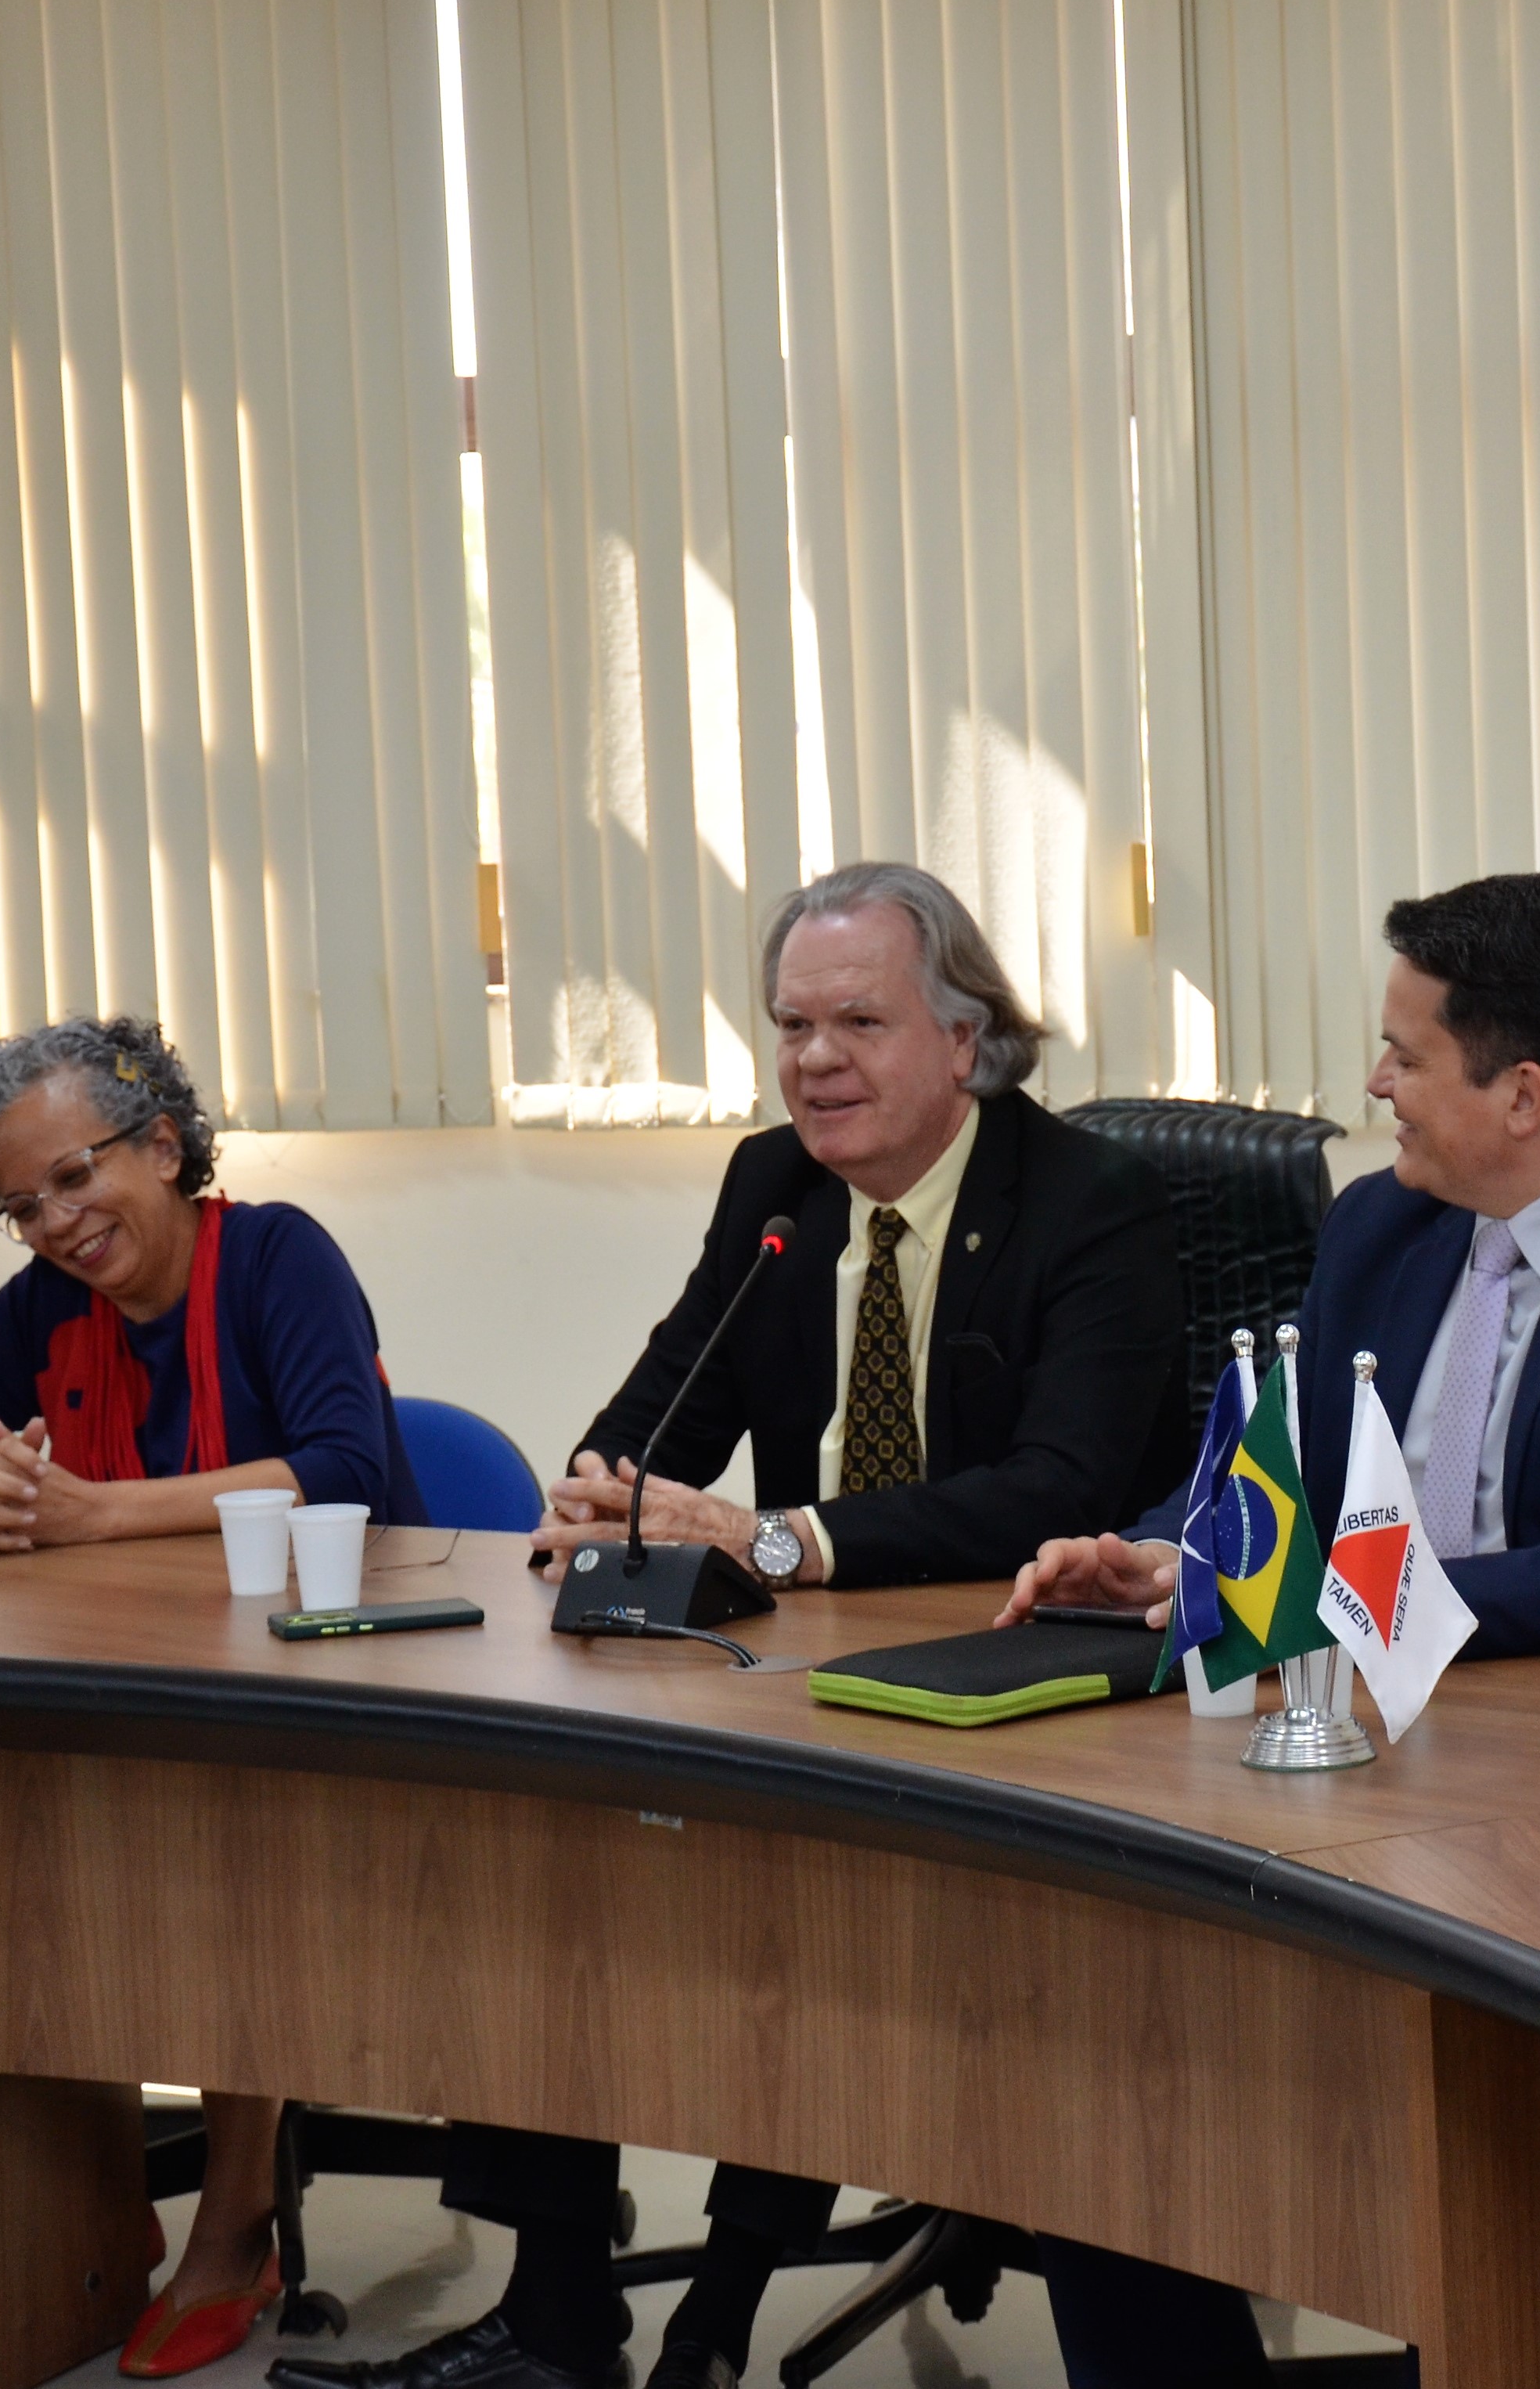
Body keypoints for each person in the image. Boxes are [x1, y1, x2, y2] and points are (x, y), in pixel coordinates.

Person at [272, 863, 1189, 2389]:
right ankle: (558, 2318)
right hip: (802, 1669)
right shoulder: (776, 1187)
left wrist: (778, 1535)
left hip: (1032, 1679)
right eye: (789, 1024)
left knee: (792, 1915)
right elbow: (657, 1412)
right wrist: (597, 1496)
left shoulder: (1091, 1203)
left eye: (856, 1022)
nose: (813, 1059)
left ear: (965, 1040)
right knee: (548, 1833)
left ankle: (719, 2317)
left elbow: (1060, 1487)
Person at [998, 870, 1540, 2387]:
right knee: (1107, 2046)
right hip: (1384, 1758)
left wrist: (1366, 1606)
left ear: (1520, 1092)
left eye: (1403, 1053)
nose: (1373, 1083)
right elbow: (1299, 1484)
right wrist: (1168, 1553)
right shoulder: (1381, 1230)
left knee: (1483, 2154)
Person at [0, 1013, 426, 2378]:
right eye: (20, 1201)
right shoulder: (48, 1306)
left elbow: (346, 1472)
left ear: (163, 1146)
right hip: (130, 1692)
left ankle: (235, 2227)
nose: (53, 1220)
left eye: (78, 1175)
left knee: (217, 1856)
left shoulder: (278, 1256)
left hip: (321, 1692)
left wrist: (93, 1519)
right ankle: (66, 2218)